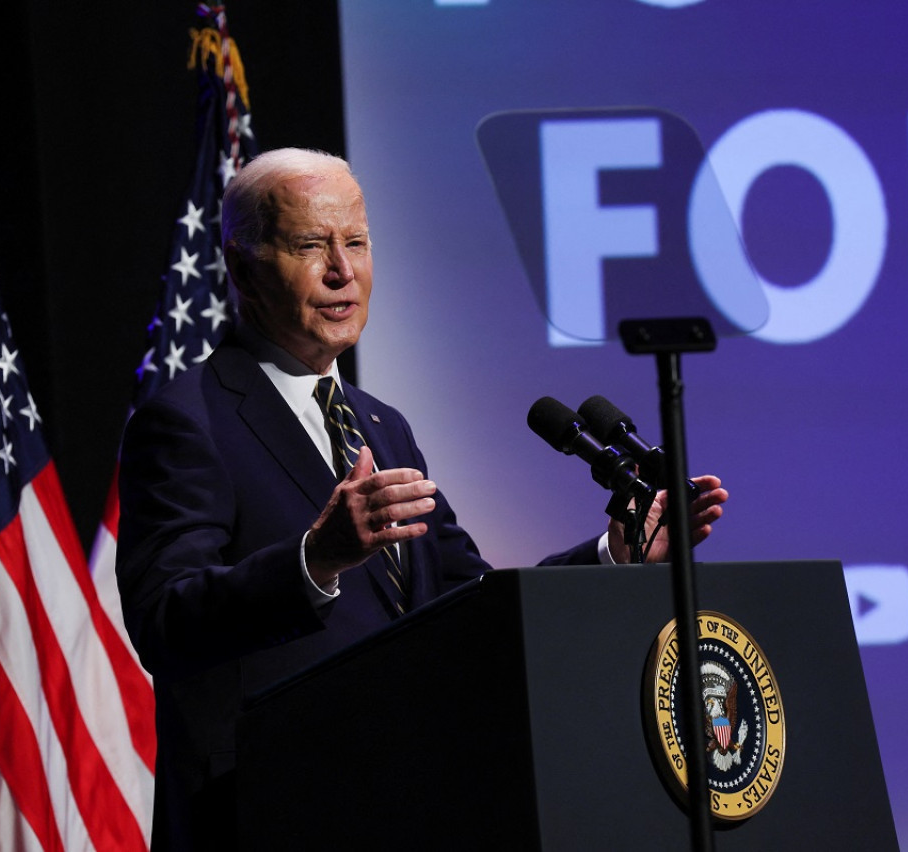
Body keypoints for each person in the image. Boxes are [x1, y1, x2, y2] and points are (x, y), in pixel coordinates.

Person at [115, 148, 728, 848]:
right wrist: (316, 559)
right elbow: (165, 619)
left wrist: (612, 554)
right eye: (313, 244)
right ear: (244, 269)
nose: (342, 271)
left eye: (357, 243)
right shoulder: (189, 418)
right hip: (269, 813)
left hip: (406, 804)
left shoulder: (382, 424)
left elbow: (469, 606)